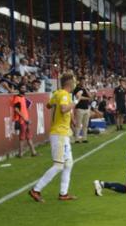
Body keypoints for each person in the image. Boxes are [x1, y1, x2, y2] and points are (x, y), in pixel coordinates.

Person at [29, 73, 77, 202]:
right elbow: (63, 109)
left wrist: (70, 119)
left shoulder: (57, 93)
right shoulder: (64, 95)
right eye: (74, 81)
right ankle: (36, 190)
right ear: (69, 83)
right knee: (59, 165)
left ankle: (63, 193)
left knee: (68, 164)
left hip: (62, 133)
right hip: (59, 133)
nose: (75, 83)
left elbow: (48, 105)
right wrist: (75, 101)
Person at [10, 87, 38, 157]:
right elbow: (16, 109)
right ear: (19, 89)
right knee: (22, 137)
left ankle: (33, 152)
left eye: (24, 88)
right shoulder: (17, 98)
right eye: (22, 88)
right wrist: (24, 118)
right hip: (22, 120)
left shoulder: (23, 98)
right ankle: (21, 153)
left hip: (26, 120)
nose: (24, 89)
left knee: (28, 137)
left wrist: (27, 118)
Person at [73, 76, 91, 143]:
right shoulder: (76, 89)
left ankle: (84, 138)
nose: (83, 82)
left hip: (86, 108)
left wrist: (85, 89)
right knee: (78, 124)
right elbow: (79, 97)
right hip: (79, 108)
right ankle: (77, 139)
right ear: (79, 81)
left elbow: (90, 96)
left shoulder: (86, 88)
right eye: (82, 81)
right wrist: (87, 98)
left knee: (85, 125)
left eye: (84, 81)